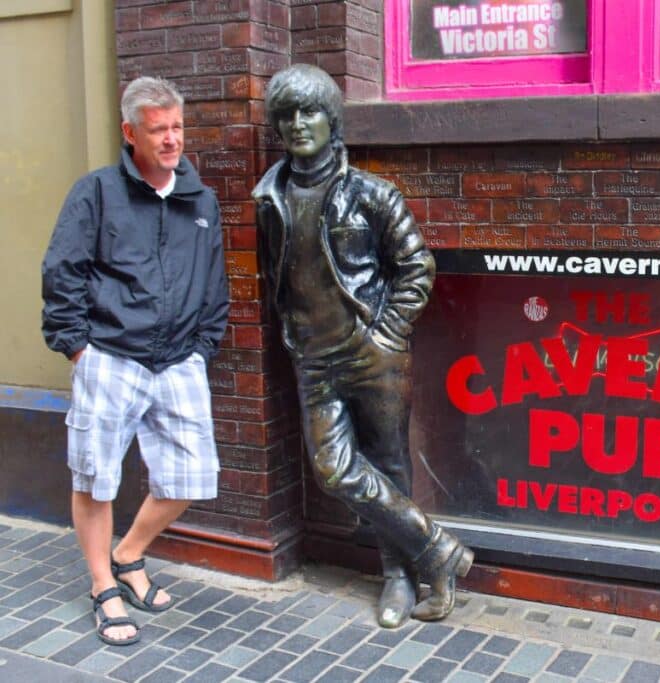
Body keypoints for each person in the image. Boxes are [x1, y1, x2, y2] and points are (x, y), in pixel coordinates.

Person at [253, 64, 471, 629]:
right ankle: (439, 550)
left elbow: (416, 268)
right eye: (287, 115)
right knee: (334, 469)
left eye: (310, 112)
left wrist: (385, 332)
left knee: (391, 466)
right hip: (313, 357)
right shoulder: (269, 197)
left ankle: (399, 578)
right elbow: (273, 275)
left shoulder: (371, 194)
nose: (299, 124)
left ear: (332, 120)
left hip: (373, 351)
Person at [41, 76, 229, 646]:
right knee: (96, 478)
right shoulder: (97, 193)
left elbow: (215, 283)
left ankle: (129, 553)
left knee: (193, 474)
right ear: (130, 132)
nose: (172, 139)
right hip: (110, 356)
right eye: (158, 130)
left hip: (178, 361)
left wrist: (202, 347)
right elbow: (63, 271)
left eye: (176, 127)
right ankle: (104, 586)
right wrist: (78, 345)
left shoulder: (200, 200)